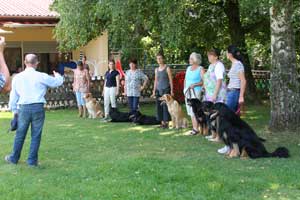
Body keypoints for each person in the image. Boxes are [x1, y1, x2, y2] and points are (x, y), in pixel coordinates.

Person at [6, 54, 64, 166]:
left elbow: (13, 96)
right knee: (36, 135)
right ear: (37, 63)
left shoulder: (17, 77)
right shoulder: (41, 76)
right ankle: (32, 161)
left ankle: (14, 158)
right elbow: (57, 82)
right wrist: (58, 76)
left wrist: (14, 111)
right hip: (38, 107)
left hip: (23, 107)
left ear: (24, 62)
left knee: (20, 134)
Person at [218, 45, 247, 155]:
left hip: (234, 93)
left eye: (226, 52)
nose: (226, 54)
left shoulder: (238, 65)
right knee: (231, 121)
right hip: (231, 92)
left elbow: (243, 81)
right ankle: (232, 146)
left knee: (227, 120)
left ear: (230, 54)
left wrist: (241, 96)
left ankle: (229, 146)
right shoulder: (234, 64)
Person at [203, 48, 227, 142]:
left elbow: (219, 80)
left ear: (216, 56)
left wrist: (215, 95)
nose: (209, 57)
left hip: (218, 94)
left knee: (217, 116)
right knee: (211, 115)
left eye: (211, 55)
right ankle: (213, 134)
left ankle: (219, 136)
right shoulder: (211, 66)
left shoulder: (219, 65)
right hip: (210, 94)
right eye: (208, 55)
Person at [184, 52, 205, 135]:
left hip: (196, 92)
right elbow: (185, 80)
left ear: (196, 60)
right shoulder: (188, 68)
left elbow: (204, 81)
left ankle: (198, 128)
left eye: (191, 58)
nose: (189, 60)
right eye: (190, 58)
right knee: (189, 110)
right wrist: (184, 89)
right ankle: (194, 128)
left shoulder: (201, 69)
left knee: (195, 110)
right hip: (187, 92)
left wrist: (195, 84)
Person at [152, 53, 173, 129]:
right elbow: (156, 81)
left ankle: (166, 122)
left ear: (163, 59)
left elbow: (170, 80)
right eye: (157, 58)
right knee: (159, 106)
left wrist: (172, 90)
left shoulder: (167, 68)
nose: (159, 60)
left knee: (165, 106)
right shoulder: (156, 69)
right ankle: (162, 122)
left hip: (166, 89)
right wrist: (154, 91)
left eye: (160, 58)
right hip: (158, 90)